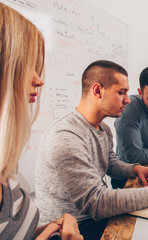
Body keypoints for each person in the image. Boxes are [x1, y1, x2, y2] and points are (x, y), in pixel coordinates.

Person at [35, 60, 148, 240]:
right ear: (97, 91)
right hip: (70, 229)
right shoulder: (66, 137)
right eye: (121, 93)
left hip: (93, 218)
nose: (127, 100)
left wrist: (136, 169)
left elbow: (110, 163)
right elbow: (97, 203)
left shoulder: (103, 129)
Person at [0, 3, 82, 239]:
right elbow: (94, 201)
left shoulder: (6, 164)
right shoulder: (65, 136)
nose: (39, 80)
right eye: (25, 65)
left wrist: (46, 231)